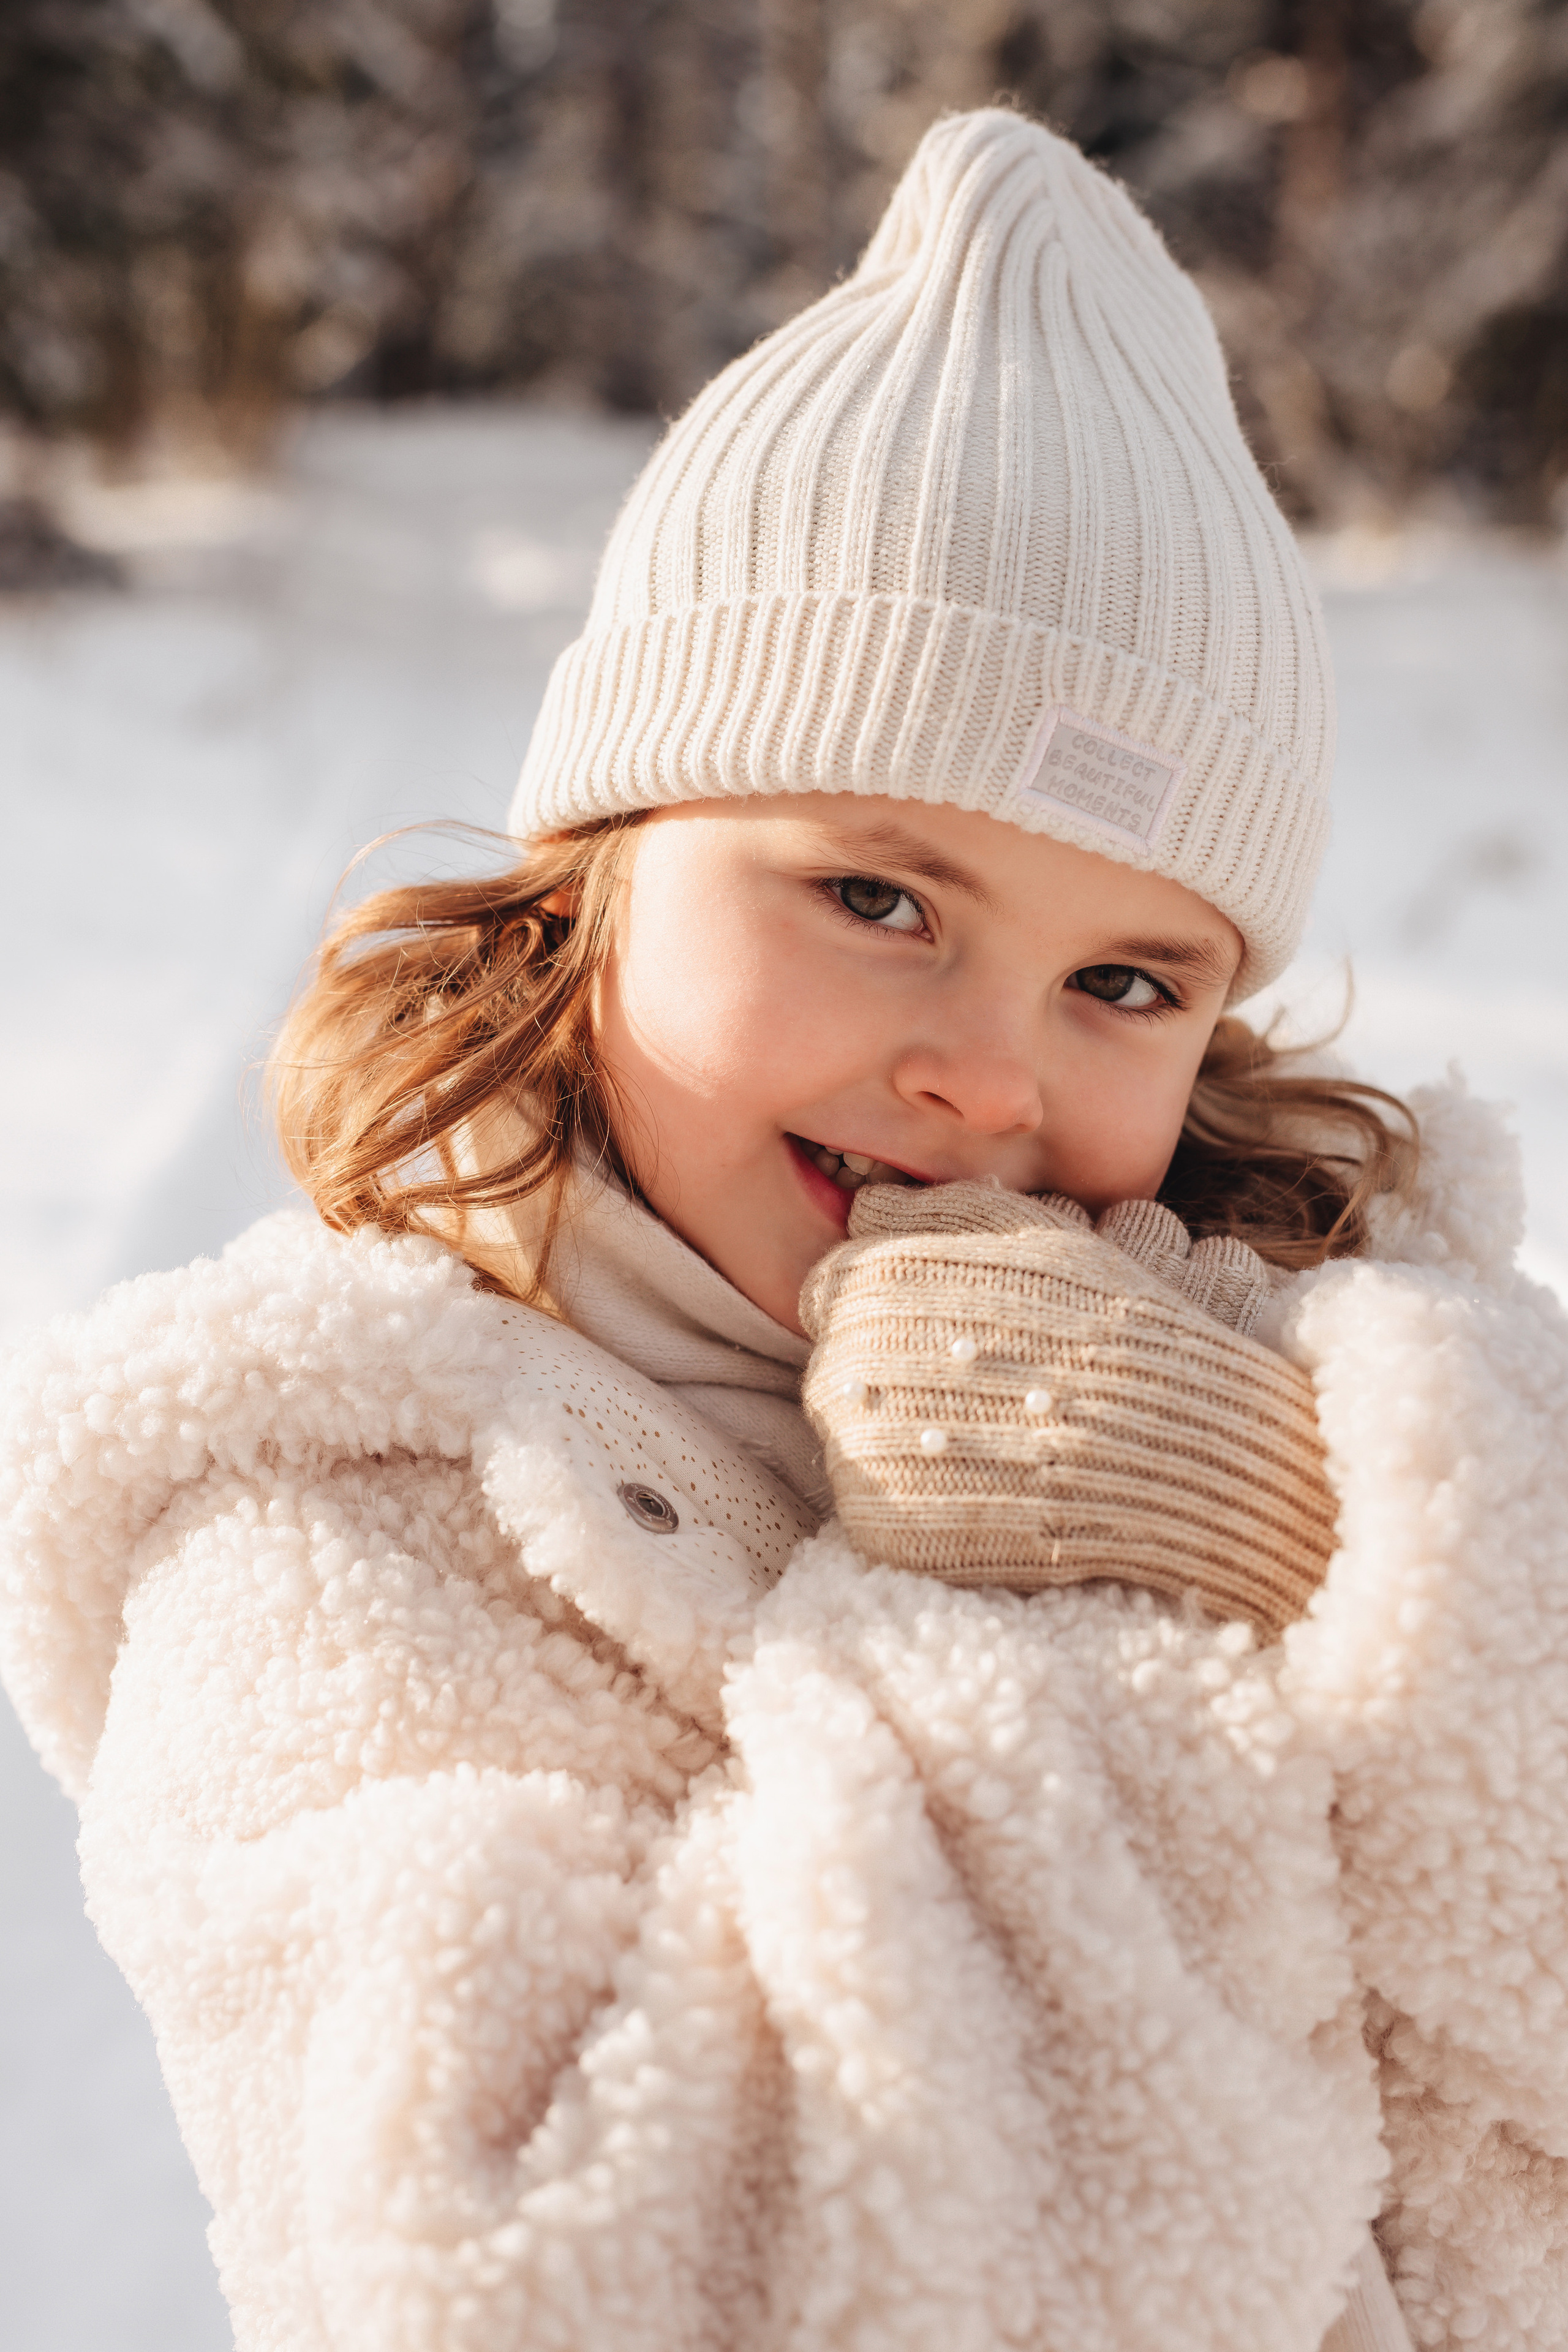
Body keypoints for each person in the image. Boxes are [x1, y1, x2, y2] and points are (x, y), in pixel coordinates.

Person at [2, 107, 1564, 2352]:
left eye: (1125, 981)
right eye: (878, 897)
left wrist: (1322, 1520)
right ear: (612, 862)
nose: (989, 1077)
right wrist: (1059, 1606)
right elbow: (551, 2272)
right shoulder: (333, 1518)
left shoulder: (1323, 1360)